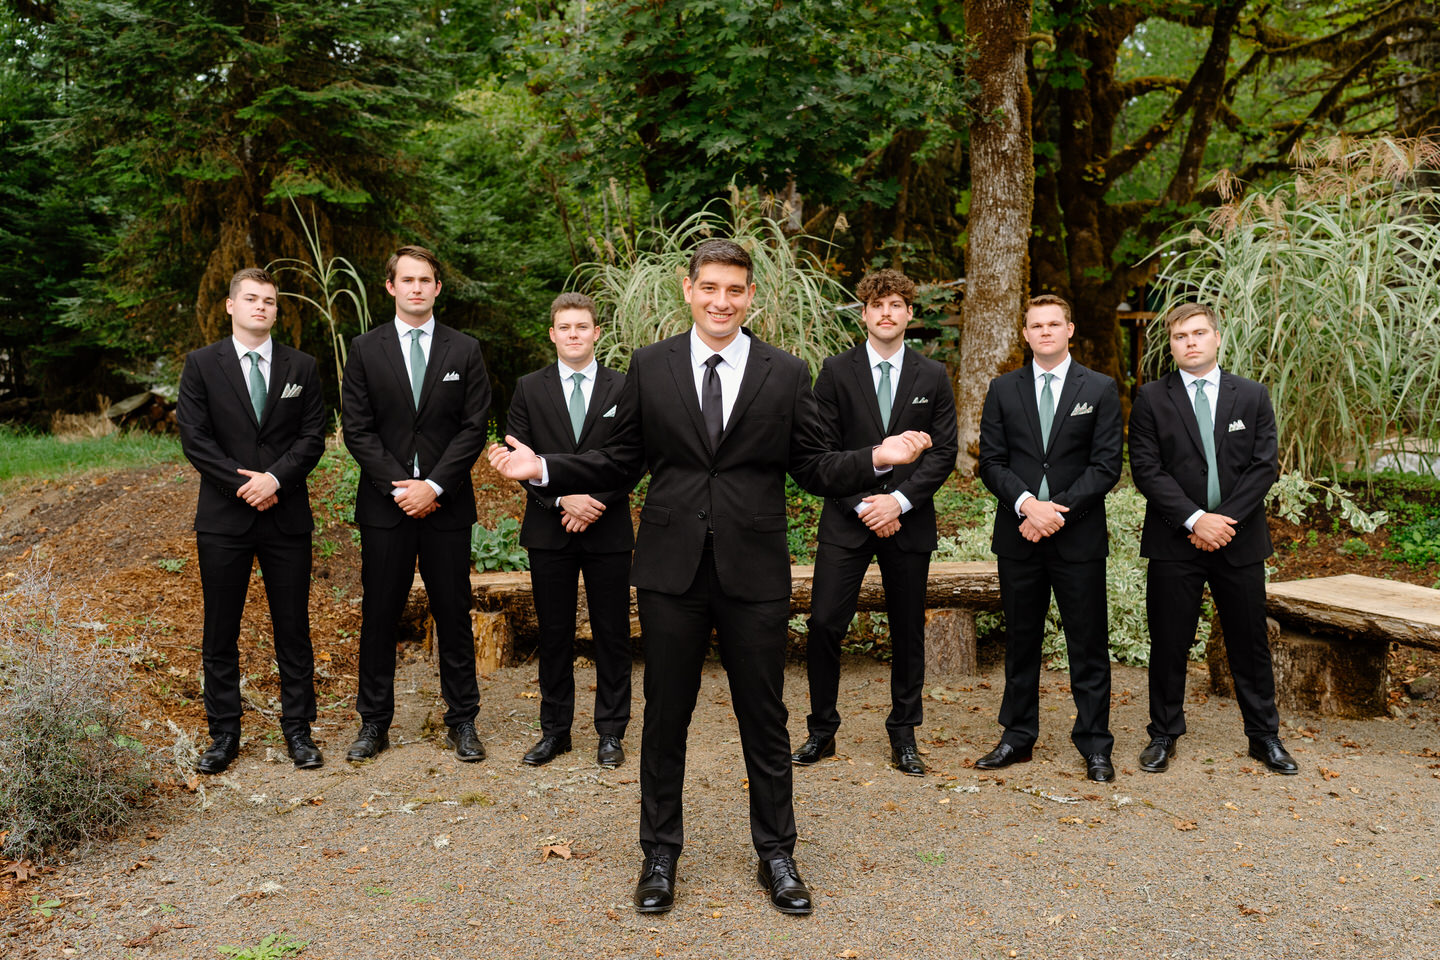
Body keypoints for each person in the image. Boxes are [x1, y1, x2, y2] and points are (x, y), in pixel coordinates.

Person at [487, 239, 932, 916]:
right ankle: (659, 856)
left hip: (754, 569)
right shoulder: (650, 364)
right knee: (667, 715)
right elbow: (619, 459)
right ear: (687, 289)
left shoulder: (784, 372)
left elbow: (813, 467)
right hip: (670, 569)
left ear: (751, 295)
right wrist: (546, 470)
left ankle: (777, 854)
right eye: (710, 288)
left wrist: (876, 455)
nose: (722, 301)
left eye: (735, 290)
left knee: (765, 715)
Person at [791, 269, 957, 777]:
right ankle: (822, 729)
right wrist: (865, 503)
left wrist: (899, 503)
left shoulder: (933, 376)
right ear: (864, 314)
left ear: (910, 314)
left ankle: (904, 734)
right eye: (877, 305)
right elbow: (822, 453)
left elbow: (943, 452)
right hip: (848, 518)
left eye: (897, 305)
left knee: (907, 629)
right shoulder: (835, 372)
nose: (887, 313)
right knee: (823, 624)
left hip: (908, 520)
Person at [1129, 302, 1296, 775]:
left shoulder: (1251, 395)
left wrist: (1223, 521)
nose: (1191, 342)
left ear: (1217, 337)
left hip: (1239, 541)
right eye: (1181, 336)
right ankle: (1163, 734)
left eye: (1199, 333)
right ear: (1172, 343)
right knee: (1169, 641)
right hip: (1173, 540)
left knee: (1249, 642)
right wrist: (1195, 519)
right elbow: (1146, 469)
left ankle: (1264, 737)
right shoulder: (1151, 399)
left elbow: (1264, 466)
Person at [340, 245, 491, 764]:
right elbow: (357, 430)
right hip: (386, 507)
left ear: (437, 289)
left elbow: (474, 428)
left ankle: (463, 721)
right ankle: (373, 724)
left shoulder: (464, 349)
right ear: (391, 287)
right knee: (380, 614)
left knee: (453, 612)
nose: (417, 288)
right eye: (407, 280)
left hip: (447, 507)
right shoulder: (364, 348)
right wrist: (402, 485)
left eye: (426, 280)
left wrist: (436, 486)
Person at [176, 267, 326, 773]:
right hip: (224, 517)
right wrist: (244, 484)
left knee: (293, 627)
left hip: (286, 516)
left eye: (270, 301)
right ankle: (223, 735)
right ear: (231, 305)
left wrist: (275, 480)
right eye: (252, 299)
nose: (262, 307)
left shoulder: (301, 366)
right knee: (221, 629)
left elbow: (312, 437)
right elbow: (195, 438)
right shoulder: (201, 365)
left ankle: (299, 731)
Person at [975, 294, 1123, 782]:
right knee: (1021, 642)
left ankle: (1096, 745)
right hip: (1019, 536)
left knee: (1087, 644)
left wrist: (1054, 511)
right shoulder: (1002, 389)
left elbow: (1106, 466)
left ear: (1070, 329)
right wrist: (1026, 506)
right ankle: (1017, 737)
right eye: (1036, 325)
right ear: (1025, 333)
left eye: (1053, 324)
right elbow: (991, 462)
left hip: (1076, 537)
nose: (1044, 332)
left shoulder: (1098, 389)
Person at [507, 292, 635, 769]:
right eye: (566, 327)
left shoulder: (624, 387)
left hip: (607, 527)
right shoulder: (528, 388)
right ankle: (555, 731)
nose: (575, 334)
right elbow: (520, 457)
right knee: (555, 632)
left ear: (596, 332)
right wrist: (563, 499)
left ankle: (610, 732)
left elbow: (633, 456)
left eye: (583, 326)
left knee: (612, 633)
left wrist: (596, 501)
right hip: (549, 526)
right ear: (553, 334)